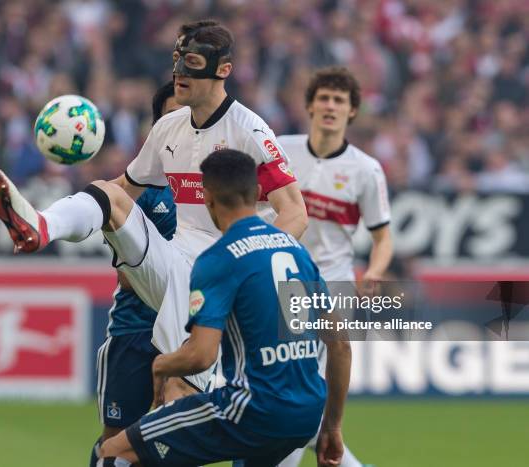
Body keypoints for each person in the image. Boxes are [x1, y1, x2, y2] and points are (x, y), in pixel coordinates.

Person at [0, 20, 307, 394]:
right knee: (110, 194)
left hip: (220, 276)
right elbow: (124, 192)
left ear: (223, 70)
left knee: (177, 398)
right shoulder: (168, 128)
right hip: (173, 260)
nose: (180, 72)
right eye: (177, 59)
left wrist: (245, 262)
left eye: (194, 62)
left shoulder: (249, 131)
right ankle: (41, 226)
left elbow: (296, 213)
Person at [98, 149, 351, 467]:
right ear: (258, 194)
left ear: (207, 199)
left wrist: (161, 366)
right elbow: (340, 344)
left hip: (252, 409)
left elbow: (201, 355)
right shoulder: (297, 251)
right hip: (306, 415)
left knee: (114, 451)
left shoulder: (217, 259)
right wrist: (332, 425)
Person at [277, 66, 392, 467]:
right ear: (309, 105)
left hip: (334, 287)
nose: (330, 106)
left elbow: (383, 236)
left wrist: (375, 271)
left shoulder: (366, 169)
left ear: (352, 112)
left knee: (296, 396)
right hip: (282, 283)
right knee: (297, 401)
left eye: (339, 100)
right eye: (323, 98)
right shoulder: (279, 149)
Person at [89, 81, 181, 467]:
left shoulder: (218, 187)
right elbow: (130, 276)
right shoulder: (138, 188)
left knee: (171, 448)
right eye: (175, 116)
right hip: (135, 333)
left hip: (188, 334)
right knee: (116, 444)